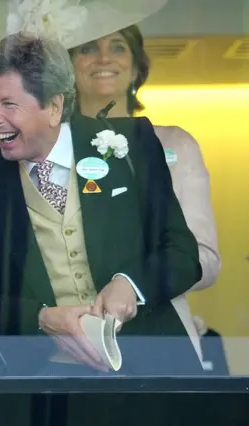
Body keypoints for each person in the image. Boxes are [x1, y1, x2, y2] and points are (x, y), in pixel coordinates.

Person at [0, 31, 203, 425]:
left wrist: (130, 285)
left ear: (53, 105)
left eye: (8, 104)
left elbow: (182, 253)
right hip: (41, 395)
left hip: (154, 385)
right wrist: (42, 317)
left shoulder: (130, 144)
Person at [62, 0, 221, 368]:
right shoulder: (50, 148)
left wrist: (131, 284)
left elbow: (206, 259)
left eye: (118, 46)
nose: (104, 58)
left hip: (162, 341)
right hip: (71, 342)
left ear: (136, 67)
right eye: (88, 47)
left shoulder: (174, 144)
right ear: (69, 66)